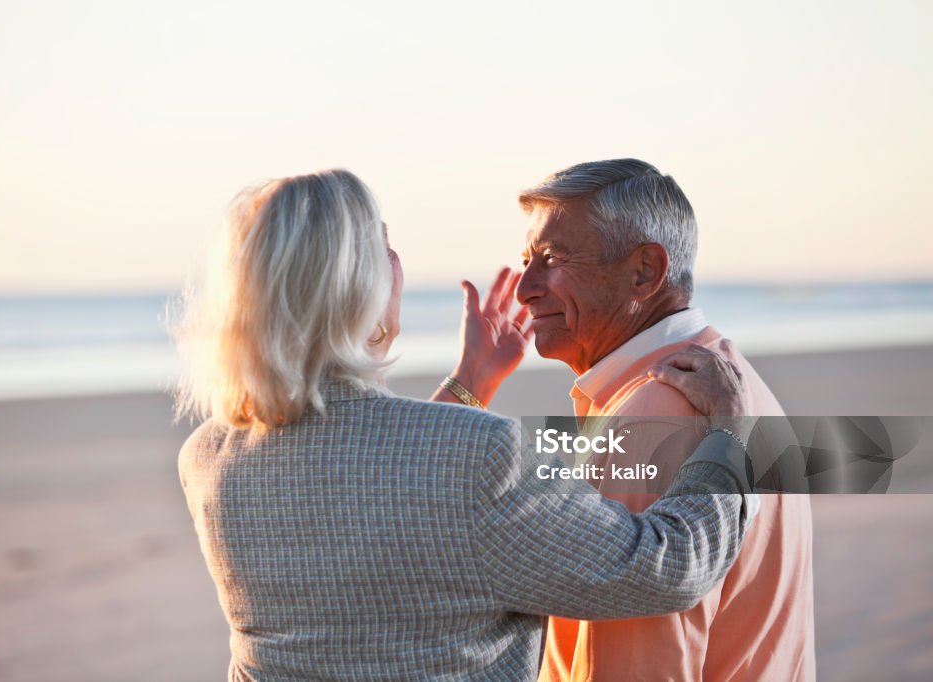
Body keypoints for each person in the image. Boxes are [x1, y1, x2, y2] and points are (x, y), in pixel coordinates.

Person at [174, 169, 755, 681]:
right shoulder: (479, 456)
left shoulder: (207, 459)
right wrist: (729, 436)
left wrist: (470, 380)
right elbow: (667, 568)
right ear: (359, 288)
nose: (398, 266)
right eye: (386, 249)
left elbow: (385, 496)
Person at [487, 159, 814, 682]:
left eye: (551, 259)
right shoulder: (729, 376)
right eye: (526, 260)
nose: (526, 288)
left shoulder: (652, 418)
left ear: (644, 271)